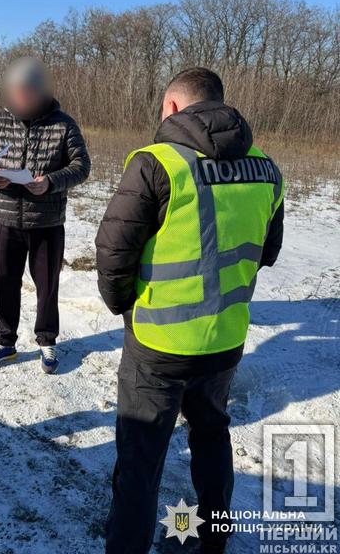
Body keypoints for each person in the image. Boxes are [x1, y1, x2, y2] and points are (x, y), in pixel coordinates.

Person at [96, 68, 284, 554]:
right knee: (212, 437)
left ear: (174, 107)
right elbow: (268, 251)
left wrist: (123, 306)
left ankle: (126, 545)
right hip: (225, 338)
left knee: (140, 457)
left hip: (159, 344)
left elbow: (113, 253)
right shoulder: (267, 169)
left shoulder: (156, 163)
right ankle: (213, 541)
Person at [0, 56, 90, 373]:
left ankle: (47, 340)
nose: (21, 98)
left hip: (47, 221)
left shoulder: (63, 124)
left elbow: (82, 166)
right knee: (4, 282)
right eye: (16, 91)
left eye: (27, 92)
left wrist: (51, 182)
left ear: (41, 91)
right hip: (6, 217)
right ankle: (5, 341)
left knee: (47, 285)